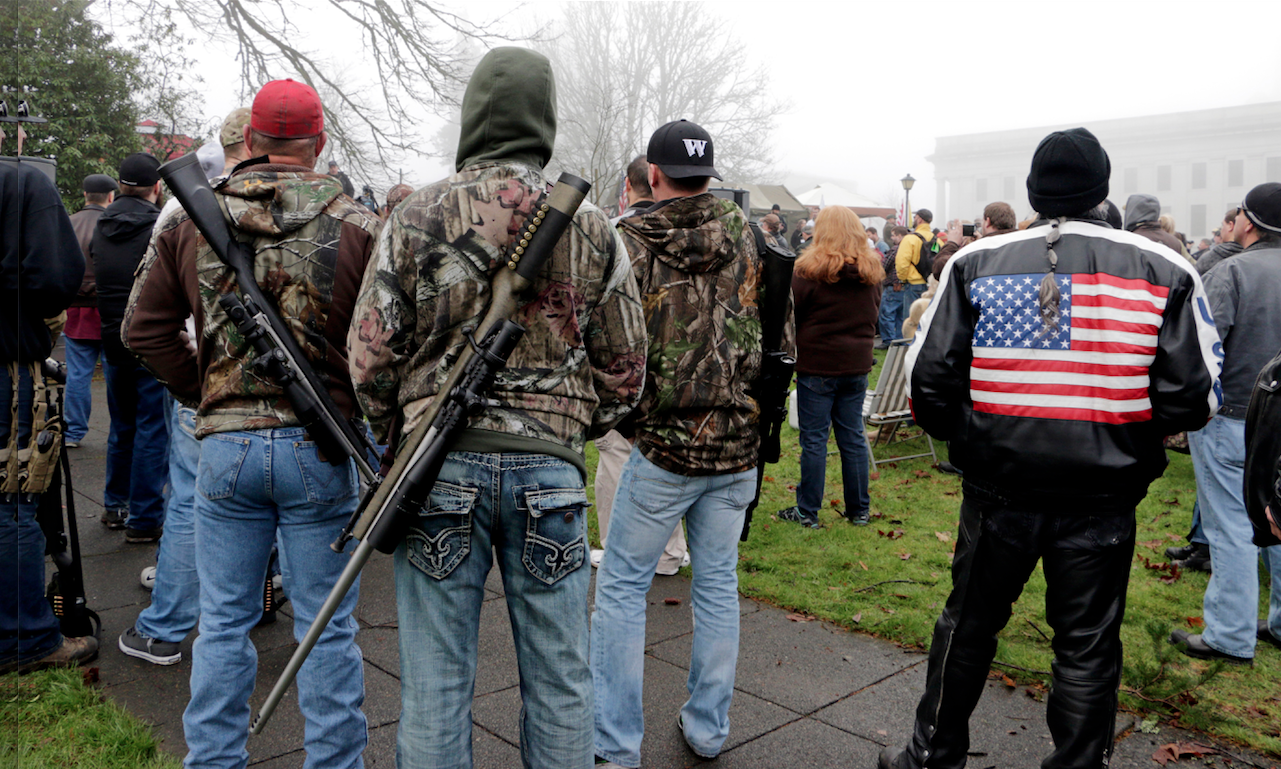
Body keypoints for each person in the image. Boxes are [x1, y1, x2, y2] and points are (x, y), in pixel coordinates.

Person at [879, 127, 1221, 769]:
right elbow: (1193, 397)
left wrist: (971, 439)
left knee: (969, 624)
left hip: (1000, 485)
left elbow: (930, 382)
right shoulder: (1166, 269)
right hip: (1103, 491)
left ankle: (932, 753)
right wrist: (1133, 434)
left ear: (1035, 190)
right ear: (1102, 190)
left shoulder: (975, 261)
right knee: (1087, 645)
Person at [347, 48, 647, 769]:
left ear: (474, 113)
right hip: (550, 473)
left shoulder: (415, 212)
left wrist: (398, 427)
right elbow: (627, 370)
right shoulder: (595, 227)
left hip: (435, 472)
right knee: (561, 683)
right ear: (543, 116)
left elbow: (368, 358)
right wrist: (568, 428)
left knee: (435, 685)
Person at [125, 78, 379, 767]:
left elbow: (142, 329)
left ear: (250, 140)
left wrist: (203, 387)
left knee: (223, 624)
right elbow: (386, 347)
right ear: (318, 143)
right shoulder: (360, 225)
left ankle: (211, 760)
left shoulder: (182, 220)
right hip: (322, 449)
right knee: (325, 630)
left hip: (225, 446)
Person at [592, 118, 786, 768]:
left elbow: (610, 346)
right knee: (717, 584)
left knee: (620, 587)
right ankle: (707, 727)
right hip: (736, 440)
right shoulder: (748, 235)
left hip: (664, 444)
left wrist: (620, 419)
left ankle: (614, 743)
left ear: (652, 175)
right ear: (710, 173)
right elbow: (766, 332)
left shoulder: (628, 239)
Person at [117, 108, 258, 667]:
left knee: (194, 504)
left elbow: (146, 318)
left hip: (207, 379)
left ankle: (166, 624)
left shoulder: (180, 208)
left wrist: (189, 383)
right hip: (277, 391)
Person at [1170, 183, 1281, 666]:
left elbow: (1201, 349)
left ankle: (1231, 635)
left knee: (1232, 526)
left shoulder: (1233, 270)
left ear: (1248, 223)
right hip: (1267, 418)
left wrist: (1190, 409)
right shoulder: (1233, 268)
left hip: (1236, 416)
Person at [0, 158, 98, 675]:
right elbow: (56, 277)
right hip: (7, 363)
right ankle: (24, 638)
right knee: (13, 498)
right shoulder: (20, 182)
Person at [595, 152, 688, 575]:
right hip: (681, 362)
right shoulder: (690, 231)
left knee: (617, 453)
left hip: (628, 363)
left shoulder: (615, 234)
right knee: (666, 455)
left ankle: (620, 549)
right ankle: (668, 552)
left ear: (630, 186)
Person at [777, 206, 882, 529]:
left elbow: (792, 316)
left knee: (815, 439)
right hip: (856, 365)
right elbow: (874, 315)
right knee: (852, 437)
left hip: (818, 365)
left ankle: (807, 510)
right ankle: (859, 510)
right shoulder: (872, 271)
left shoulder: (806, 271)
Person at [90, 152, 170, 542]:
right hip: (151, 340)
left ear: (118, 187)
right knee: (153, 428)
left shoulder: (100, 224)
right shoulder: (159, 227)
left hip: (112, 337)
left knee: (122, 426)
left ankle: (114, 504)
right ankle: (144, 517)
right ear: (156, 187)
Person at [62, 173, 117, 447]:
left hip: (75, 311)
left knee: (77, 375)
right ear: (111, 196)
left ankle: (72, 433)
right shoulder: (113, 224)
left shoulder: (67, 223)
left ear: (85, 195)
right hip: (109, 310)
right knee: (116, 376)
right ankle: (119, 432)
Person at [876, 225, 908, 347]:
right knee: (900, 316)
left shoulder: (895, 249)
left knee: (886, 313)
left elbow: (884, 265)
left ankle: (888, 340)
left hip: (893, 286)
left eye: (894, 235)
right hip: (905, 286)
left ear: (900, 236)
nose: (892, 238)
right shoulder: (910, 247)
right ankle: (899, 340)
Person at [1194, 206, 1243, 276]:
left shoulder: (1208, 258)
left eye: (1223, 225)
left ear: (1230, 226)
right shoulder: (1253, 256)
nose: (1221, 230)